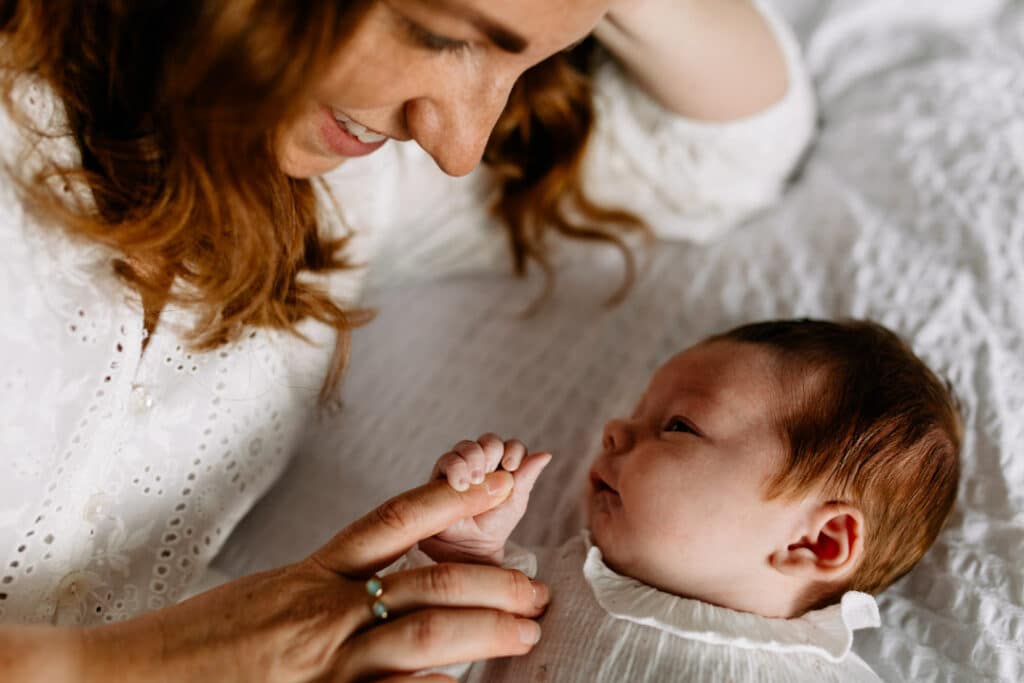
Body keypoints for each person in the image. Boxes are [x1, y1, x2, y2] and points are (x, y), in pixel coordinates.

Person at [0, 0, 815, 679]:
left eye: (525, 62)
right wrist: (130, 663)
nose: (459, 147)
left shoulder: (353, 179)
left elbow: (727, 151)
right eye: (446, 36)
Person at [406, 319, 960, 681]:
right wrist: (464, 552)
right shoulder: (533, 587)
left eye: (677, 425)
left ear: (816, 540)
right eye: (639, 411)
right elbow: (419, 652)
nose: (614, 430)